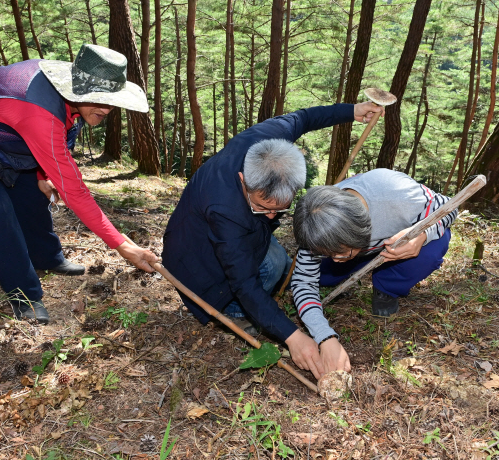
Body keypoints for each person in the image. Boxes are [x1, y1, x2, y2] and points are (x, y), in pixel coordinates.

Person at [0, 44, 159, 324]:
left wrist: (43, 175)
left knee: (33, 191)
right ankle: (24, 295)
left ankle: (46, 257)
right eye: (98, 99)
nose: (106, 109)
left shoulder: (72, 94)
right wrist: (123, 245)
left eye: (111, 100)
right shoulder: (36, 108)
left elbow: (56, 136)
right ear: (75, 91)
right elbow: (74, 190)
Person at [161, 102, 382, 379]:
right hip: (193, 253)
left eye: (280, 208)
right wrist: (292, 336)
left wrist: (351, 111)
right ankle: (231, 311)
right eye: (263, 207)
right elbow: (243, 282)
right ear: (244, 180)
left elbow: (303, 116)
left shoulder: (269, 145)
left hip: (237, 227)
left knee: (276, 260)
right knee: (267, 268)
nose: (272, 216)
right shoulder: (225, 211)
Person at [290, 169, 457, 377]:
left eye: (340, 252)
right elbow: (303, 283)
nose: (334, 258)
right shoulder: (315, 225)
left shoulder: (394, 192)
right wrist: (325, 337)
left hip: (395, 245)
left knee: (433, 248)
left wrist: (422, 235)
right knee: (323, 277)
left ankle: (387, 285)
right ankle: (351, 264)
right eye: (327, 253)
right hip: (360, 249)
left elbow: (450, 207)